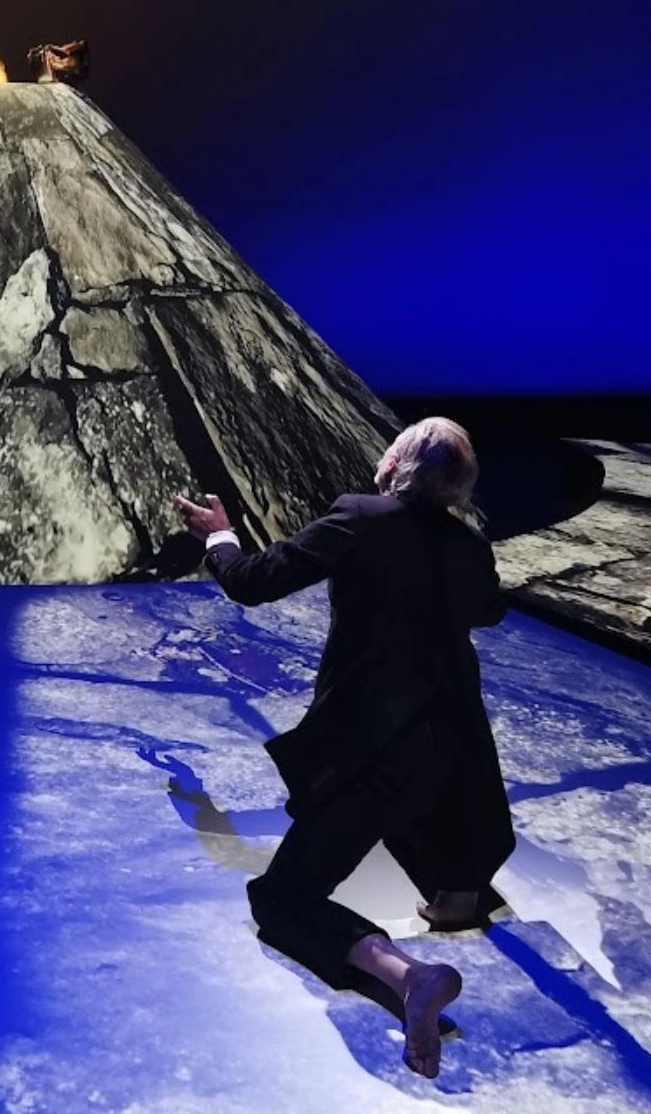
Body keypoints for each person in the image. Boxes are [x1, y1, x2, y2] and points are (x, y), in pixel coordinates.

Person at [173, 417, 514, 1079]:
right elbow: (488, 610)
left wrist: (218, 535)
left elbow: (252, 581)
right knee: (420, 815)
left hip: (379, 750)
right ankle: (456, 895)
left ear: (394, 466)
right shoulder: (468, 545)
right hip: (454, 751)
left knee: (282, 899)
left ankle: (410, 977)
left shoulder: (360, 518)